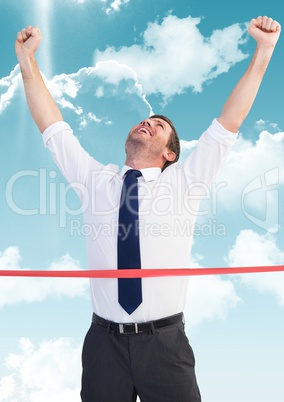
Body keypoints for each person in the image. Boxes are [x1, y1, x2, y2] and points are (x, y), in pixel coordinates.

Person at [15, 16, 281, 402]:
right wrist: (26, 59)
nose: (147, 122)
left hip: (165, 346)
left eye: (158, 125)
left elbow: (230, 122)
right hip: (104, 346)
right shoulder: (95, 180)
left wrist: (264, 51)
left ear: (170, 153)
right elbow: (52, 126)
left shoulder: (185, 182)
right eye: (145, 119)